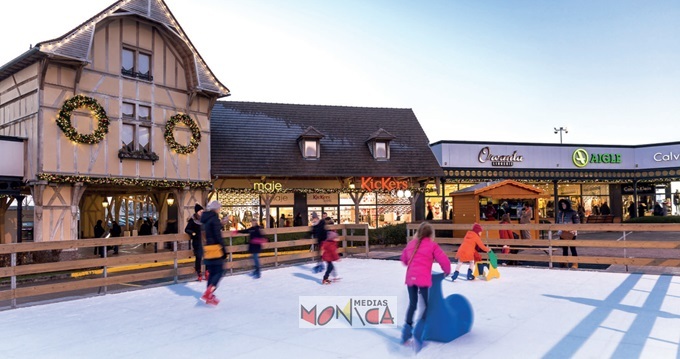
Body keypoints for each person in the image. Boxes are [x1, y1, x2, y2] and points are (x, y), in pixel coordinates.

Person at [400, 221, 451, 344]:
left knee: (413, 304)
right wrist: (447, 271)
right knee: (427, 306)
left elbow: (404, 259)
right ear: (431, 234)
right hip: (422, 279)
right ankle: (419, 330)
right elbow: (443, 260)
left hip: (410, 278)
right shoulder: (432, 246)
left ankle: (406, 333)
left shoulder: (411, 244)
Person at [200, 200, 227, 306]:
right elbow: (217, 236)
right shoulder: (214, 218)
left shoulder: (206, 219)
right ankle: (209, 292)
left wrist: (220, 224)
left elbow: (210, 231)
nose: (219, 210)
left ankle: (209, 294)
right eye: (219, 208)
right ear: (216, 209)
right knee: (220, 271)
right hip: (215, 248)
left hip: (207, 249)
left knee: (212, 272)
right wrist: (223, 250)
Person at [556, 199, 580, 269]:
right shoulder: (560, 213)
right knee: (564, 248)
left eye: (564, 204)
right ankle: (565, 262)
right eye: (562, 204)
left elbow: (577, 223)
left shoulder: (573, 212)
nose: (563, 206)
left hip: (571, 232)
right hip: (562, 232)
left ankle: (575, 263)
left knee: (572, 248)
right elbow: (557, 222)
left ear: (568, 204)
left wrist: (570, 227)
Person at [185, 203, 204, 281]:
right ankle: (198, 272)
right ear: (197, 212)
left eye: (202, 211)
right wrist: (193, 233)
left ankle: (207, 271)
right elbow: (186, 229)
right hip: (197, 241)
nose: (201, 212)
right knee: (199, 257)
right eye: (200, 211)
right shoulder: (193, 221)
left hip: (204, 241)